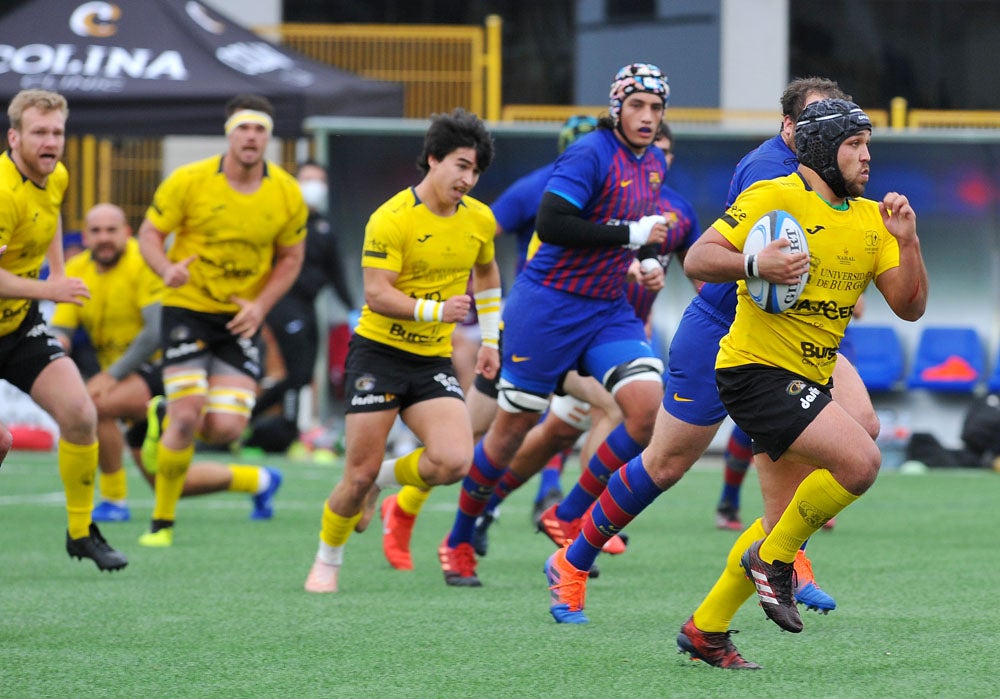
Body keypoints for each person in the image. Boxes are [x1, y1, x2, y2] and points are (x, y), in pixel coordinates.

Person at [540, 78, 870, 629]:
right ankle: (570, 559)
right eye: (815, 121)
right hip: (724, 330)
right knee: (665, 463)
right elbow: (717, 259)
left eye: (838, 123)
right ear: (789, 128)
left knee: (858, 427)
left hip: (793, 339)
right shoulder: (771, 173)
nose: (830, 133)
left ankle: (777, 558)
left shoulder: (836, 180)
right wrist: (760, 266)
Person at [676, 97, 927, 668]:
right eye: (854, 145)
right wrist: (754, 264)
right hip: (753, 371)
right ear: (820, 149)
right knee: (861, 460)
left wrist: (908, 240)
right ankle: (776, 561)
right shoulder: (775, 195)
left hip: (807, 376)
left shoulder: (872, 219)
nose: (867, 157)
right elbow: (698, 257)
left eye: (868, 145)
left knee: (777, 518)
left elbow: (909, 307)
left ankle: (706, 629)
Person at [437, 62, 670, 587]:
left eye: (655, 108)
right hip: (547, 307)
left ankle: (567, 514)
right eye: (636, 105)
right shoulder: (589, 152)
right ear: (616, 107)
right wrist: (631, 235)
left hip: (607, 307)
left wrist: (652, 258)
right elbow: (552, 223)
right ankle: (456, 540)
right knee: (511, 430)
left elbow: (644, 228)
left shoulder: (653, 163)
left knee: (647, 409)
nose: (647, 116)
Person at [469, 121, 700, 559]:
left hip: (611, 335)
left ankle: (502, 509)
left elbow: (696, 269)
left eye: (665, 151)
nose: (657, 156)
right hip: (545, 324)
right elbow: (498, 235)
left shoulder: (678, 211)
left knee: (556, 432)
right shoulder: (572, 187)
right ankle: (578, 520)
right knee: (471, 436)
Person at [303, 107, 501, 593]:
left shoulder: (479, 220)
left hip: (431, 361)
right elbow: (376, 294)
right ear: (433, 159)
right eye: (461, 165)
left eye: (475, 170)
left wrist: (492, 339)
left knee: (455, 461)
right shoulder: (391, 218)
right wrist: (437, 313)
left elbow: (489, 276)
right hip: (378, 355)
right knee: (354, 475)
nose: (468, 179)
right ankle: (328, 558)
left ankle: (381, 482)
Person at [136, 94, 307, 547]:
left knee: (227, 429)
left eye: (260, 130)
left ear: (268, 138)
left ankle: (162, 411)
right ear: (229, 134)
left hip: (240, 317)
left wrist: (261, 305)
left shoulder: (287, 192)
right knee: (189, 415)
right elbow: (150, 234)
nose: (251, 137)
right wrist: (165, 269)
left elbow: (291, 258)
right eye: (243, 129)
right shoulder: (190, 181)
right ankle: (162, 523)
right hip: (188, 308)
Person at [50, 203, 282, 522]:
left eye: (111, 230)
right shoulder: (77, 268)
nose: (104, 238)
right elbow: (62, 327)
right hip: (125, 378)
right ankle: (261, 481)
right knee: (171, 484)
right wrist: (51, 349)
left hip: (164, 365)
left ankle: (114, 501)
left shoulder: (141, 262)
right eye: (96, 231)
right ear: (85, 236)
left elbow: (154, 331)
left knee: (96, 403)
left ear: (127, 233)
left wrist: (112, 375)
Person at [0, 89, 127, 571]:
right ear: (15, 137)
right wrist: (49, 292)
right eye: (39, 132)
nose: (51, 141)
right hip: (19, 307)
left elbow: (50, 216)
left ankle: (80, 532)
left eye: (57, 132)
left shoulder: (57, 175)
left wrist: (55, 272)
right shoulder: (2, 190)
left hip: (17, 325)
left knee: (79, 412)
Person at [244, 160, 356, 453]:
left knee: (304, 374)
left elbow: (336, 275)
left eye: (319, 180)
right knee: (294, 372)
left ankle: (250, 420)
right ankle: (287, 430)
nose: (313, 186)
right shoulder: (283, 219)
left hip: (308, 306)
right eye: (307, 179)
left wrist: (354, 309)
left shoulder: (324, 227)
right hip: (282, 302)